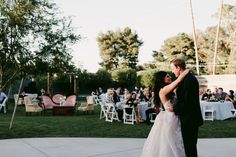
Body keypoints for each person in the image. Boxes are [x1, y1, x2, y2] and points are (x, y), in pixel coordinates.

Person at [141, 69, 189, 157]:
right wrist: (185, 71)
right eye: (167, 76)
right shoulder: (163, 90)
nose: (170, 77)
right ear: (161, 79)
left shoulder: (166, 89)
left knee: (172, 140)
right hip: (169, 117)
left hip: (171, 115)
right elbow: (178, 81)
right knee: (170, 140)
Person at [171, 58, 203, 157]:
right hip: (188, 118)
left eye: (173, 69)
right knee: (188, 147)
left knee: (189, 148)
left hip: (190, 119)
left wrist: (174, 108)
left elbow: (187, 102)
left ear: (178, 67)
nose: (172, 71)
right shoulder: (186, 78)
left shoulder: (188, 80)